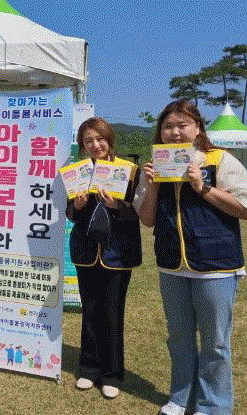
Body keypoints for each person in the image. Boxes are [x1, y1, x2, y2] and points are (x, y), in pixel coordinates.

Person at [134, 100, 247, 415]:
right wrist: (152, 187)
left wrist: (203, 186)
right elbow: (147, 219)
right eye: (168, 126)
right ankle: (181, 399)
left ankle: (213, 406)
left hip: (215, 266)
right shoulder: (155, 166)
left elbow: (244, 208)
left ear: (198, 128)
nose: (174, 132)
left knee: (215, 342)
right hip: (172, 265)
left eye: (182, 125)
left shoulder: (218, 160)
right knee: (179, 338)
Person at [66, 117, 141, 399]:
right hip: (86, 252)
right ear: (82, 145)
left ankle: (111, 374)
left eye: (99, 139)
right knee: (90, 311)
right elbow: (70, 214)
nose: (95, 145)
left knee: (111, 314)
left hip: (117, 253)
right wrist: (77, 205)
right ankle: (89, 369)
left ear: (109, 139)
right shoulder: (79, 171)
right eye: (88, 141)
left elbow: (140, 212)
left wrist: (118, 205)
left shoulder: (128, 170)